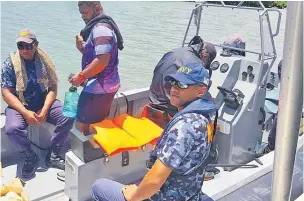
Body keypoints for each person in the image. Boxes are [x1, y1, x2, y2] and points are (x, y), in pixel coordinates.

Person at [91, 62, 218, 201]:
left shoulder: (184, 127)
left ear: (201, 91)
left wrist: (134, 195)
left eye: (182, 85)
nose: (174, 89)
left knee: (99, 187)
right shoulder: (204, 118)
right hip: (189, 194)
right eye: (174, 83)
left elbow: (156, 179)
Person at [1, 28, 74, 178]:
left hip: (42, 101)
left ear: (36, 44)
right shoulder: (10, 63)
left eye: (28, 46)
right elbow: (6, 93)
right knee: (12, 128)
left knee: (68, 114)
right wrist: (25, 112)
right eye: (20, 46)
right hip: (20, 104)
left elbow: (53, 87)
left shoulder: (45, 61)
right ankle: (29, 155)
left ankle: (53, 154)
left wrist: (45, 109)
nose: (24, 50)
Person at [69, 1, 123, 135]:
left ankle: (87, 152)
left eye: (85, 13)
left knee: (82, 125)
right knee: (93, 123)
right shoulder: (102, 27)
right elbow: (100, 57)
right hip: (107, 84)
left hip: (100, 87)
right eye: (81, 14)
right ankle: (92, 149)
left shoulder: (100, 30)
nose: (83, 17)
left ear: (97, 8)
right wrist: (82, 48)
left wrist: (81, 76)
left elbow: (102, 61)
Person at [149, 36, 217, 121]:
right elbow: (201, 92)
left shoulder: (175, 51)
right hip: (169, 109)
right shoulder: (195, 64)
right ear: (205, 56)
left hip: (152, 100)